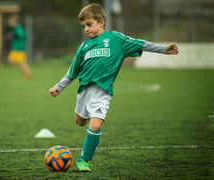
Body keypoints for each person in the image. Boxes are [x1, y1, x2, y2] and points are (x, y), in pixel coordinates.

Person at [49, 3, 179, 172]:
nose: (86, 29)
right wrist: (59, 87)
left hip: (102, 91)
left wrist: (163, 49)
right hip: (84, 91)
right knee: (80, 121)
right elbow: (72, 72)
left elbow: (140, 44)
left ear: (101, 22)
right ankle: (89, 123)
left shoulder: (116, 40)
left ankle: (83, 160)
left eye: (89, 24)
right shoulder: (83, 47)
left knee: (95, 126)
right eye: (83, 26)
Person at [8, 14, 33, 81]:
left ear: (14, 21)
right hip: (17, 47)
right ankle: (27, 73)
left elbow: (22, 35)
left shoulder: (17, 28)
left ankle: (28, 73)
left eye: (11, 20)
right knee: (15, 61)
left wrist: (14, 35)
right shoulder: (16, 28)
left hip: (18, 48)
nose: (9, 22)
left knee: (20, 62)